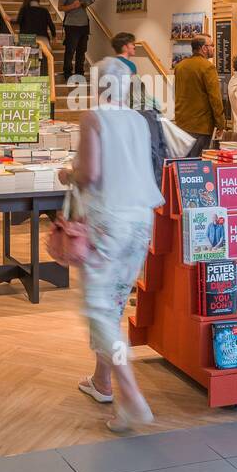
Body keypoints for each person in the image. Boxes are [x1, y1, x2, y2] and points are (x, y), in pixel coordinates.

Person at [61, 57, 164, 432]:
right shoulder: (139, 119)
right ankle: (103, 382)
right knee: (115, 301)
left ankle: (131, 393)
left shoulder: (94, 118)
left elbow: (89, 174)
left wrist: (66, 173)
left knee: (99, 308)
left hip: (107, 220)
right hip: (141, 219)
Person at [172, 34, 225, 157]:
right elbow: (215, 99)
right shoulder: (208, 67)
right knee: (197, 165)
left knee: (184, 164)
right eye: (212, 45)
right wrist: (220, 124)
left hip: (181, 123)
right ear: (204, 48)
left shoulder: (180, 66)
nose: (213, 48)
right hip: (201, 125)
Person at [58, 0, 94, 80]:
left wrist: (88, 2)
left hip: (84, 24)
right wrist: (73, 5)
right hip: (72, 25)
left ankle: (80, 73)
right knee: (70, 50)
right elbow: (60, 7)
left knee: (82, 51)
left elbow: (82, 3)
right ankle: (67, 73)